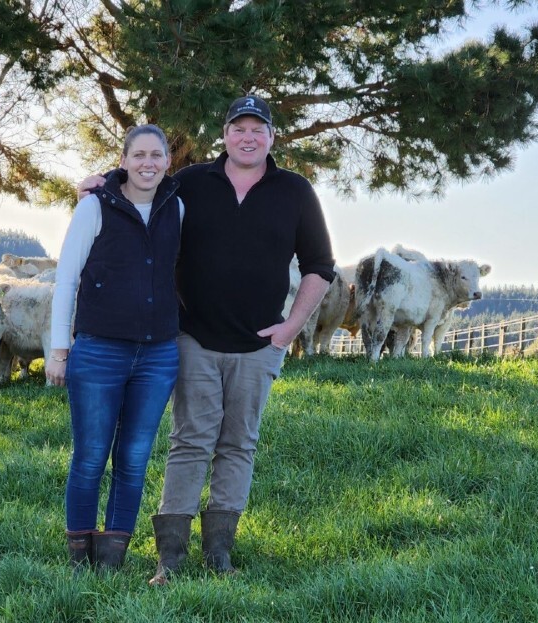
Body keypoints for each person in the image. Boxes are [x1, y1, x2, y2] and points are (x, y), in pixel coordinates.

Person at [78, 95, 335, 585]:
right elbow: (138, 190)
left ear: (271, 137)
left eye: (257, 129)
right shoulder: (191, 183)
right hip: (193, 336)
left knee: (239, 443)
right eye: (238, 128)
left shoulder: (296, 191)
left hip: (260, 346)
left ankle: (219, 552)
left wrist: (290, 327)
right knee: (190, 442)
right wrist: (97, 184)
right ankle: (169, 558)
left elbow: (320, 267)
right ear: (225, 135)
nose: (247, 137)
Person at [47, 124, 185, 571]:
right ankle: (77, 558)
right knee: (90, 456)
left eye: (156, 156)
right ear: (122, 161)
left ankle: (112, 558)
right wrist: (58, 348)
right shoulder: (95, 207)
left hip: (158, 353)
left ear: (168, 163)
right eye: (139, 155)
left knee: (134, 458)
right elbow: (67, 278)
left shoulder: (176, 207)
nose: (148, 164)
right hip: (99, 349)